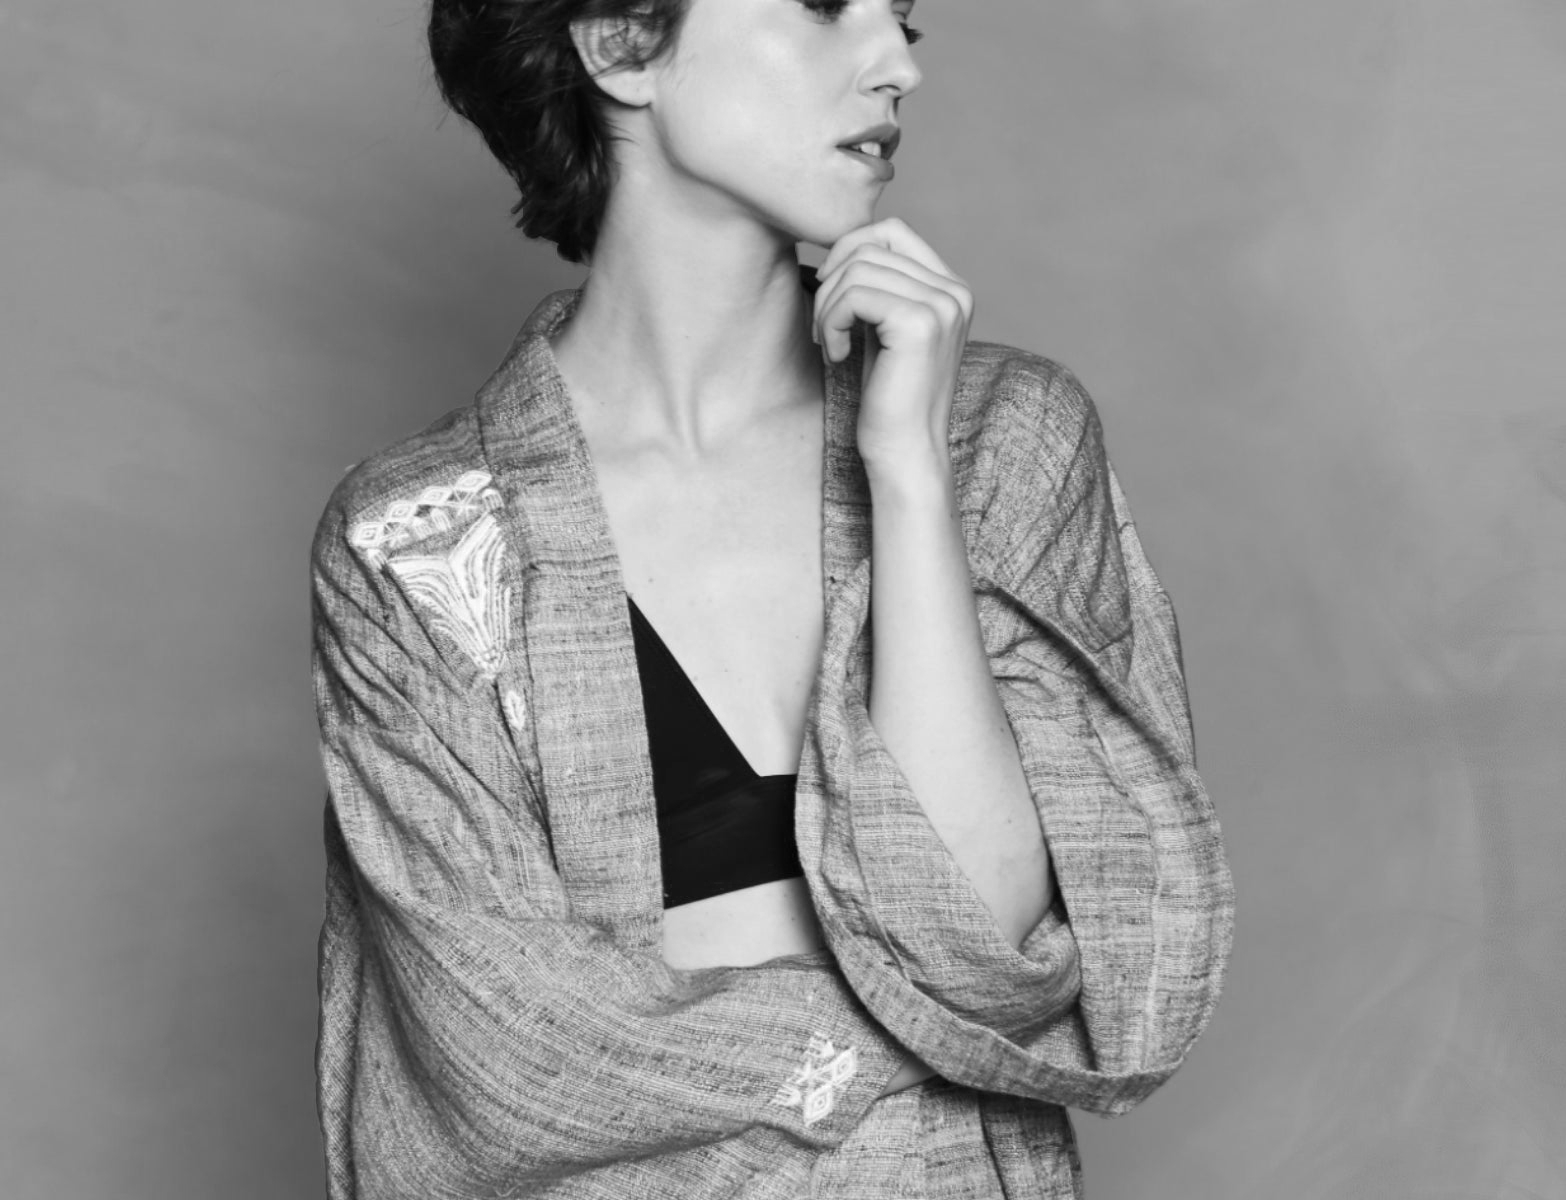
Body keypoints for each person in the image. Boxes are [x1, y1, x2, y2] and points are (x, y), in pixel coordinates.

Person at [309, 1, 1236, 1196]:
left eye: (902, 19)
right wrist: (920, 1051)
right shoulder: (415, 542)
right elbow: (507, 1060)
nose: (896, 64)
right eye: (823, 5)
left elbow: (986, 951)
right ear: (620, 43)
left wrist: (909, 475)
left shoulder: (1004, 443)